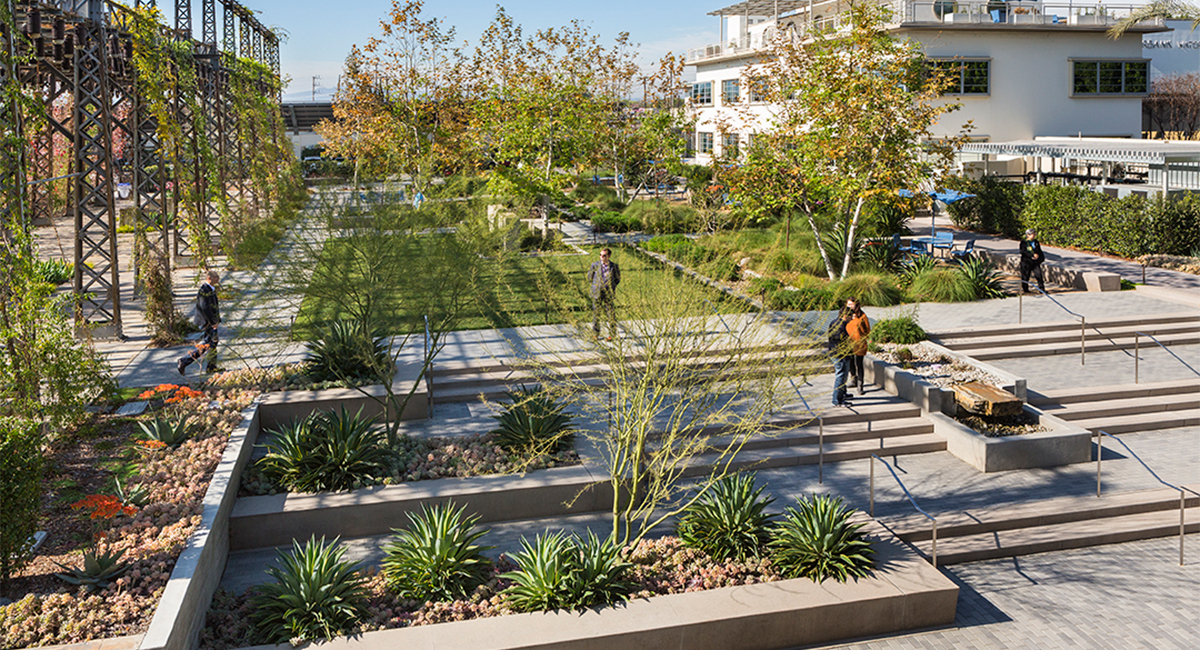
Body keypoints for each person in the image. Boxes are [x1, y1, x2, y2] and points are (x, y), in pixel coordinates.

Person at [178, 270, 221, 375]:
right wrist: (213, 322)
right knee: (209, 343)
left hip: (211, 322)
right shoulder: (204, 290)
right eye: (216, 277)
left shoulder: (211, 289)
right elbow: (205, 307)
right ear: (209, 278)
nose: (218, 279)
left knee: (213, 342)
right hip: (207, 322)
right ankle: (185, 361)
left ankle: (212, 366)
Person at [587, 248, 620, 340]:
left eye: (604, 255)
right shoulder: (595, 265)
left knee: (610, 313)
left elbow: (617, 279)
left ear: (609, 256)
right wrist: (596, 286)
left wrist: (611, 287)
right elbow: (590, 277)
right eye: (600, 255)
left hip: (608, 292)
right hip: (597, 292)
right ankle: (595, 333)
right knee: (596, 313)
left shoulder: (614, 266)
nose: (602, 257)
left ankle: (612, 334)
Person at [827, 301, 855, 406]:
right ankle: (837, 400)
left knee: (843, 376)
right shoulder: (841, 327)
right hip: (840, 355)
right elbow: (842, 341)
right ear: (845, 316)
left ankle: (843, 394)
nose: (851, 319)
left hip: (837, 354)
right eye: (850, 316)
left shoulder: (834, 322)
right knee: (841, 376)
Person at [845, 299, 871, 395]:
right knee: (851, 362)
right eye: (848, 304)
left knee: (859, 364)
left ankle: (860, 385)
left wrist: (861, 338)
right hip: (849, 343)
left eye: (852, 304)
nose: (850, 306)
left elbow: (867, 330)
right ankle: (853, 380)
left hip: (859, 344)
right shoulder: (846, 316)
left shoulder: (862, 316)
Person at [1019, 228, 1046, 294]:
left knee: (1039, 275)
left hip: (1035, 262)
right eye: (1032, 234)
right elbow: (1023, 252)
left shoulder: (1036, 242)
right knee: (1026, 276)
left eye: (1034, 234)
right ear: (1028, 235)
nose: (1033, 236)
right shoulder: (1024, 242)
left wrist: (1040, 258)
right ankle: (1025, 289)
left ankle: (1041, 289)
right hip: (1026, 262)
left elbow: (1039, 251)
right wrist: (1031, 255)